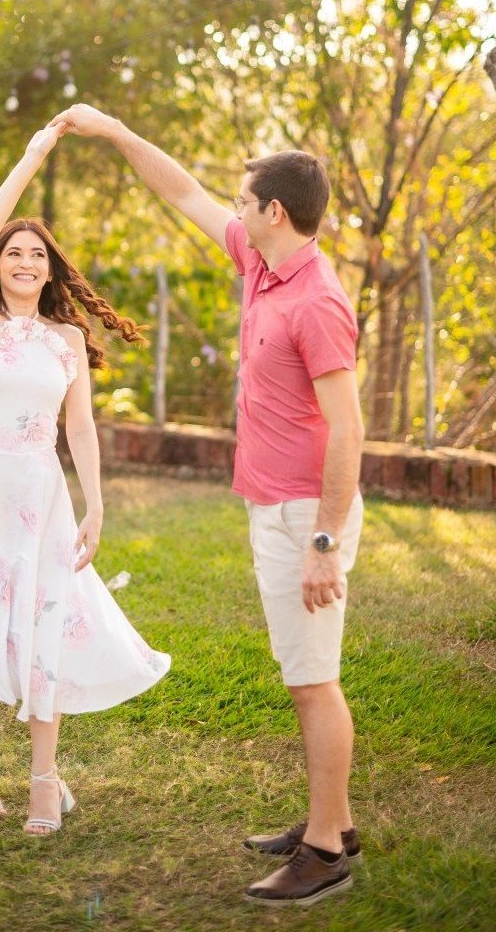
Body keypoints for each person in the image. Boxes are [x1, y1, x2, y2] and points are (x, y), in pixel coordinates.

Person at [50, 103, 365, 906]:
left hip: (306, 514)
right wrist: (116, 132)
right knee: (304, 673)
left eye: (242, 199)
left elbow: (348, 427)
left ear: (274, 211)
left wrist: (323, 541)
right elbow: (181, 190)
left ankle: (325, 852)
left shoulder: (316, 300)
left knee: (312, 680)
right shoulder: (261, 263)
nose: (231, 207)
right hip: (276, 505)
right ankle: (332, 819)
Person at [0, 122, 170, 836]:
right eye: (14, 253)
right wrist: (33, 155)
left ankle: (45, 777)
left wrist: (95, 505)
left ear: (50, 272)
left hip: (40, 502)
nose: (23, 260)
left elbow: (79, 429)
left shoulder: (68, 340)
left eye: (36, 254)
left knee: (43, 626)